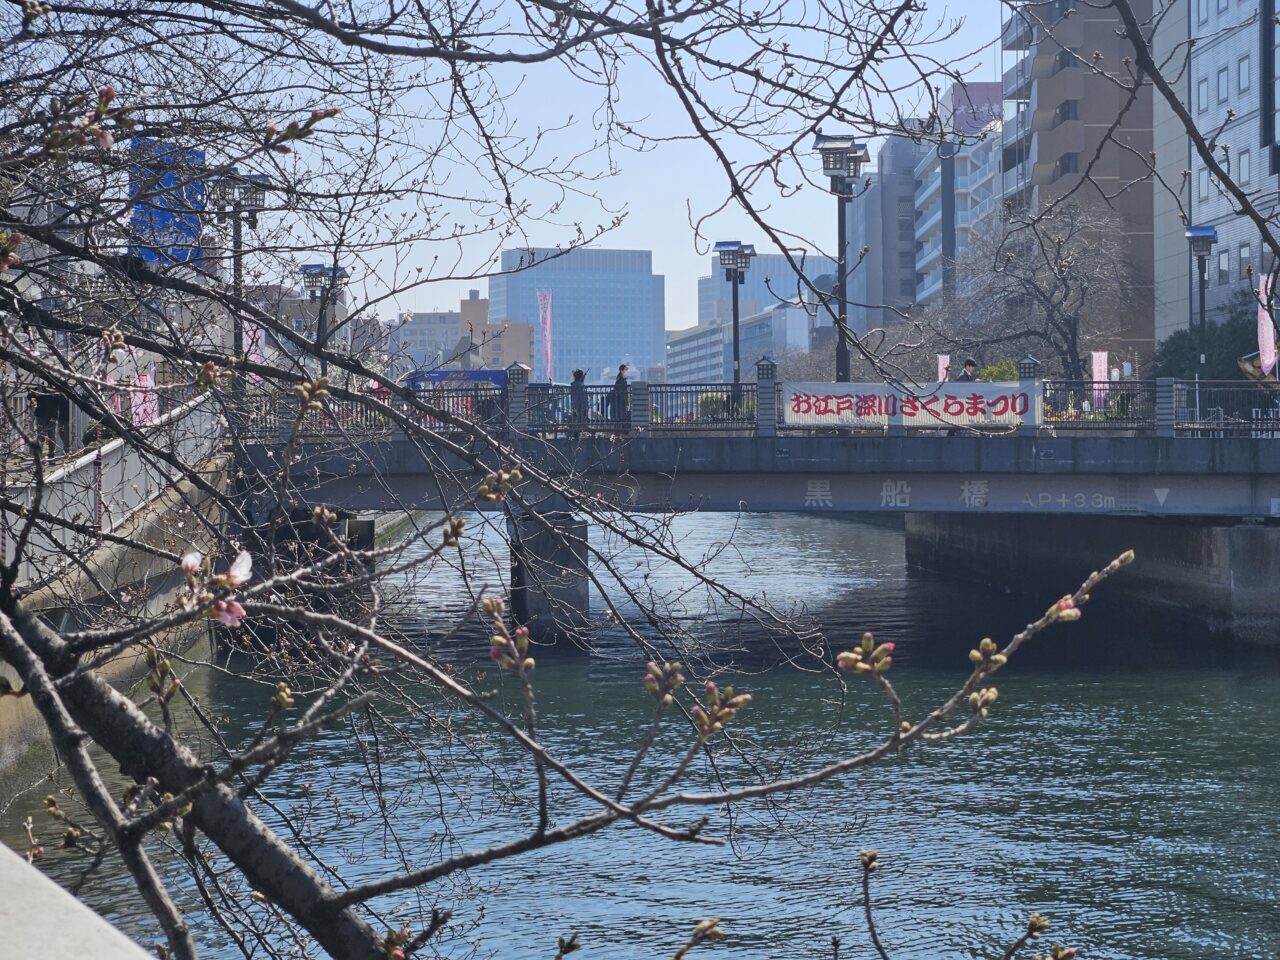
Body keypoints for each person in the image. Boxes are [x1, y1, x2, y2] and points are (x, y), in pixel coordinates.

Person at [607, 363, 630, 429]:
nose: (627, 372)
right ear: (622, 371)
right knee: (621, 418)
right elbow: (622, 392)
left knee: (620, 418)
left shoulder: (620, 379)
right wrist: (626, 402)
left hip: (619, 402)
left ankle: (620, 430)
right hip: (620, 402)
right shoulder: (621, 380)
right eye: (626, 370)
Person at [570, 368, 588, 436]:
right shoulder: (581, 385)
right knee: (581, 420)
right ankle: (579, 433)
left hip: (576, 405)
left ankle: (576, 434)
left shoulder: (573, 385)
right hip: (582, 406)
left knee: (576, 421)